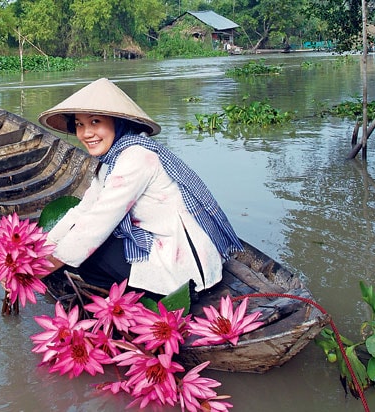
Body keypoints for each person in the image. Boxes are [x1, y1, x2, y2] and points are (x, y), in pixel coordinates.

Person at [38, 78, 243, 297]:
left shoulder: (136, 157)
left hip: (185, 273)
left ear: (118, 123)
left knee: (87, 253)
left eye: (95, 122)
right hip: (164, 249)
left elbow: (95, 224)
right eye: (79, 124)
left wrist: (38, 271)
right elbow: (84, 209)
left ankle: (149, 298)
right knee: (77, 250)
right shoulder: (113, 161)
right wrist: (42, 248)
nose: (86, 133)